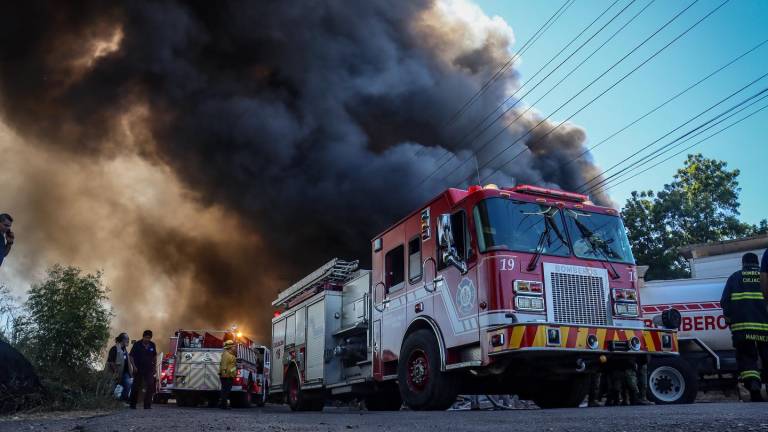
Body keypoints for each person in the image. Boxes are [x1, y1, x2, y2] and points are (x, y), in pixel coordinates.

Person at [721, 252, 768, 402]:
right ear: (758, 263)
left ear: (743, 263)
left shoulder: (735, 277)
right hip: (766, 327)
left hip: (742, 328)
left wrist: (729, 319)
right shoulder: (764, 277)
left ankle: (754, 386)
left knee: (748, 359)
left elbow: (725, 301)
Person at [129, 330, 157, 409]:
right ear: (143, 337)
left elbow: (154, 356)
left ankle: (147, 405)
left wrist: (154, 367)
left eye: (149, 338)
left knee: (150, 385)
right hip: (138, 369)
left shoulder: (152, 345)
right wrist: (134, 366)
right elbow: (131, 356)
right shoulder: (137, 345)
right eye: (146, 338)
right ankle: (133, 404)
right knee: (136, 386)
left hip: (149, 369)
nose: (147, 339)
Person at [106, 333, 134, 401]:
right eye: (127, 339)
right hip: (114, 373)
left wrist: (130, 373)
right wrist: (116, 372)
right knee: (110, 388)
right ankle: (108, 401)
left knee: (128, 384)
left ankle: (122, 400)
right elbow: (111, 362)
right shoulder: (114, 349)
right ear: (122, 340)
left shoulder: (125, 350)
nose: (128, 341)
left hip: (124, 373)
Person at [219, 339, 237, 409]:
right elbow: (224, 365)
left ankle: (223, 404)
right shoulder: (226, 355)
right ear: (230, 347)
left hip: (229, 376)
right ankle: (224, 405)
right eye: (233, 347)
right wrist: (224, 375)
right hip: (226, 376)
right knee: (225, 391)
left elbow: (231, 367)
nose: (234, 348)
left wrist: (234, 372)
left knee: (226, 391)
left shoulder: (231, 355)